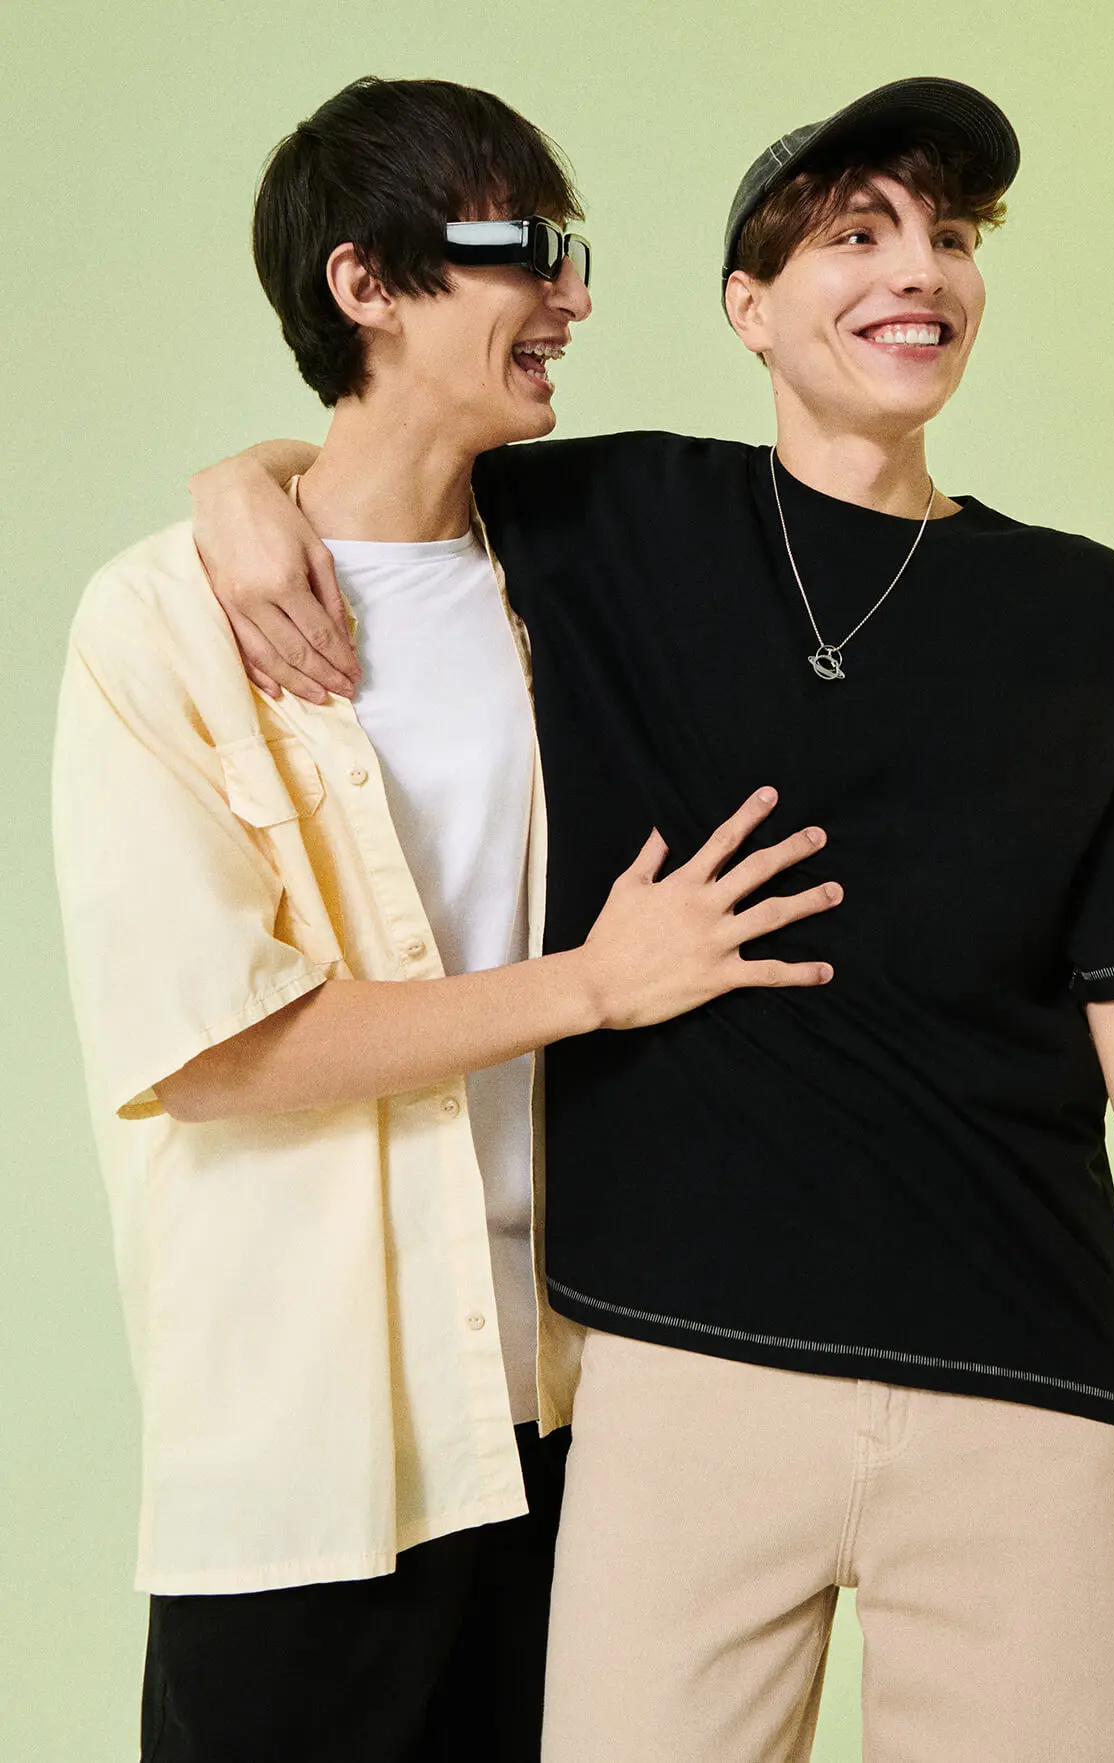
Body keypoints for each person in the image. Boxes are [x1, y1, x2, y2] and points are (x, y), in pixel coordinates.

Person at [189, 76, 1114, 1761]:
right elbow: (385, 453)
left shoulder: (1082, 611)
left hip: (1022, 1391)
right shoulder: (612, 522)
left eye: (951, 237)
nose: (920, 269)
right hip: (679, 1377)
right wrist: (242, 483)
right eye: (858, 235)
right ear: (749, 308)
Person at [51, 76, 841, 1763]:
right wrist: (593, 984)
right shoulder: (158, 626)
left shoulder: (574, 587)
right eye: (526, 247)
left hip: (580, 1407)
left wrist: (253, 468)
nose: (571, 296)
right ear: (366, 283)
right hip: (309, 1438)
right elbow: (214, 1044)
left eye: (574, 253)